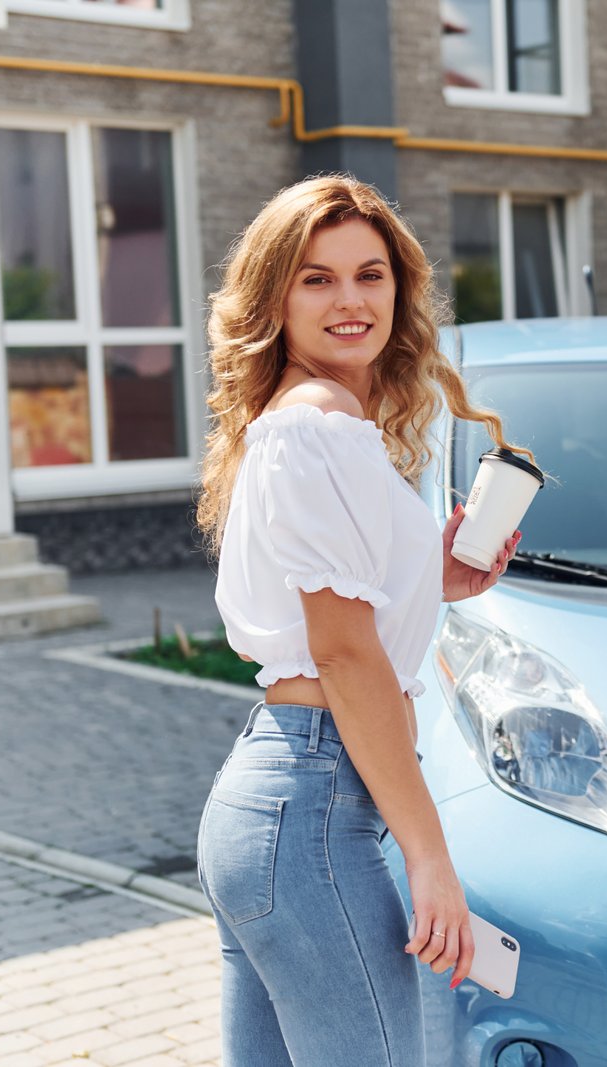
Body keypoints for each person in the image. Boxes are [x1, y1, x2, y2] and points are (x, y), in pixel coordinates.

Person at [193, 174, 534, 1065]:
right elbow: (346, 659)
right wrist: (431, 857)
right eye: (317, 278)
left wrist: (440, 578)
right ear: (275, 296)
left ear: (399, 288)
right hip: (310, 810)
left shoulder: (305, 424)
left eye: (369, 274)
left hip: (274, 807)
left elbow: (342, 628)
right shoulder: (319, 426)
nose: (350, 300)